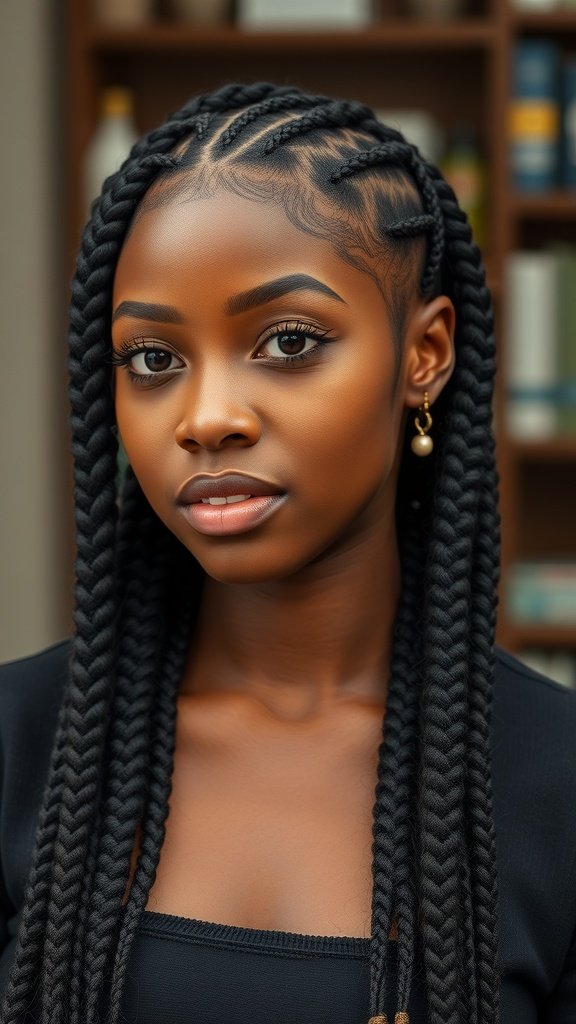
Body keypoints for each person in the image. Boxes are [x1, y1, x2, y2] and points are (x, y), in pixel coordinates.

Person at [0, 81, 575, 1024]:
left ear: (424, 353)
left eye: (289, 340)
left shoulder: (555, 779)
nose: (207, 418)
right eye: (152, 358)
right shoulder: (22, 745)